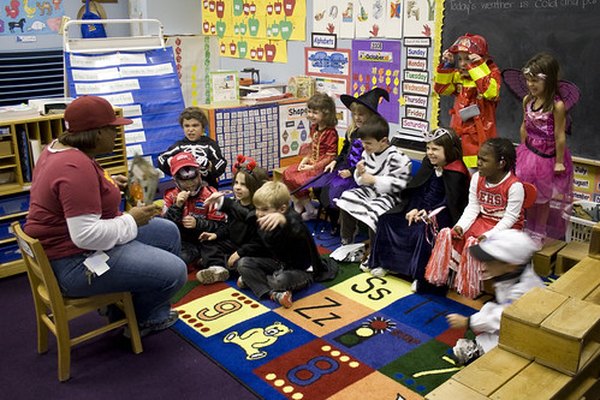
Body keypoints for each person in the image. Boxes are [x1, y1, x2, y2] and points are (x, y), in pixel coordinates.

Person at [24, 96, 187, 337]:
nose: (117, 134)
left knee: (168, 232)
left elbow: (76, 191)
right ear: (97, 133)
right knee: (176, 272)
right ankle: (142, 319)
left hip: (70, 247)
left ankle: (131, 308)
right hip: (76, 261)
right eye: (113, 129)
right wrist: (132, 219)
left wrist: (106, 182)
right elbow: (87, 237)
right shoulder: (74, 168)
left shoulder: (60, 147)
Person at [366, 128, 470, 292]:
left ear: (448, 150)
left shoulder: (457, 172)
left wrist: (427, 213)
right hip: (419, 206)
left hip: (441, 214)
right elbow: (419, 188)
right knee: (387, 219)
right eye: (428, 148)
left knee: (424, 230)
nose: (430, 153)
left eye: (435, 149)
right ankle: (385, 263)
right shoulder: (429, 163)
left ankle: (420, 277)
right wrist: (414, 208)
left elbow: (450, 202)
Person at [425, 138, 526, 299]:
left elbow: (510, 218)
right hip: (483, 220)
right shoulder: (477, 178)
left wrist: (489, 235)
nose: (478, 163)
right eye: (479, 158)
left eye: (484, 160)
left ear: (501, 163)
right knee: (456, 236)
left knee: (479, 243)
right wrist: (461, 226)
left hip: (506, 228)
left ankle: (482, 285)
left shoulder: (515, 186)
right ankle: (462, 281)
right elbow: (473, 207)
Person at [445, 229, 544, 365]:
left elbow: (502, 317)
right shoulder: (513, 274)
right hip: (515, 319)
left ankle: (479, 350)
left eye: (490, 261)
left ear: (511, 265)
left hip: (532, 333)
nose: (484, 265)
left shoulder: (524, 290)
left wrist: (468, 322)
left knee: (502, 337)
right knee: (488, 308)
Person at [236, 181, 337, 308]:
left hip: (302, 270)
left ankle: (254, 281)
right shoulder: (259, 217)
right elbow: (244, 214)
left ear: (282, 209)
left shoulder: (293, 220)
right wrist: (224, 204)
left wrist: (284, 221)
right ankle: (272, 293)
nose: (259, 213)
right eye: (257, 208)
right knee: (243, 263)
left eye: (265, 209)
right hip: (279, 264)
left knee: (280, 280)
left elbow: (297, 227)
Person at [306, 87, 390, 234]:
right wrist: (335, 161)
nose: (357, 118)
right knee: (320, 186)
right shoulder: (352, 130)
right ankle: (335, 221)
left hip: (362, 171)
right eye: (354, 114)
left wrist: (352, 172)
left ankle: (348, 225)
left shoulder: (375, 134)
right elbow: (345, 149)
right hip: (346, 165)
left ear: (371, 115)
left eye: (361, 114)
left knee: (337, 190)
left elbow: (372, 159)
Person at [515, 53, 574, 241]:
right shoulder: (528, 101)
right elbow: (524, 126)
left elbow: (559, 135)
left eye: (535, 81)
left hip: (547, 158)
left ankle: (538, 232)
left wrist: (558, 162)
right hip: (528, 153)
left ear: (548, 81)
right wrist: (522, 151)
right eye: (528, 80)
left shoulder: (557, 105)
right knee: (528, 194)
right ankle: (526, 228)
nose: (531, 85)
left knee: (543, 198)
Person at [335, 114, 412, 247]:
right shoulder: (368, 153)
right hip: (371, 191)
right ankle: (346, 239)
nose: (364, 146)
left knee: (375, 210)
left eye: (368, 143)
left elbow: (399, 184)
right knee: (346, 197)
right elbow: (362, 180)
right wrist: (359, 173)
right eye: (363, 142)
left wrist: (374, 180)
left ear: (383, 141)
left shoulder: (397, 157)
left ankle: (375, 250)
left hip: (393, 196)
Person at [196, 155, 269, 284]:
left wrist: (239, 253)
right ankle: (218, 267)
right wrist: (216, 235)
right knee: (207, 243)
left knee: (244, 261)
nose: (237, 187)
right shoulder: (236, 203)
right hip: (235, 243)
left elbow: (259, 242)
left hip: (252, 249)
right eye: (236, 183)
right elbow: (229, 226)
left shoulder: (260, 210)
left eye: (244, 185)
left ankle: (239, 271)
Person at [434, 33, 501, 170]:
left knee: (475, 179)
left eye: (468, 59)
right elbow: (442, 89)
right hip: (457, 138)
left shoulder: (490, 74)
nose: (463, 64)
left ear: (483, 59)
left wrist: (477, 66)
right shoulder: (460, 76)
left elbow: (491, 92)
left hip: (479, 141)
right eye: (460, 59)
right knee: (456, 179)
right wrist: (447, 65)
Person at [162, 151, 226, 270]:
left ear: (199, 175)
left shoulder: (212, 195)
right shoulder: (170, 196)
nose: (190, 183)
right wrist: (177, 206)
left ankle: (209, 262)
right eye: (184, 180)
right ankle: (198, 259)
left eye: (193, 178)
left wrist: (198, 223)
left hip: (205, 241)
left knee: (182, 259)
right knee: (165, 255)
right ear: (176, 180)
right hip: (182, 241)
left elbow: (221, 227)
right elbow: (165, 227)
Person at [282, 92, 339, 220]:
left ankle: (308, 208)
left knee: (299, 180)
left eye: (315, 112)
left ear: (326, 114)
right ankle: (305, 205)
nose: (310, 115)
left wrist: (312, 167)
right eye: (309, 111)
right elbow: (312, 147)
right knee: (288, 173)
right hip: (312, 163)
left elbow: (330, 156)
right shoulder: (314, 127)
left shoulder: (331, 133)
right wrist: (305, 160)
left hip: (323, 168)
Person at [158, 106, 227, 188]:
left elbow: (221, 162)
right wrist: (170, 162)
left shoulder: (210, 145)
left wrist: (209, 164)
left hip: (208, 187)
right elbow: (161, 159)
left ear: (203, 127)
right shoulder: (179, 146)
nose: (190, 129)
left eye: (195, 125)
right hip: (185, 190)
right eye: (187, 126)